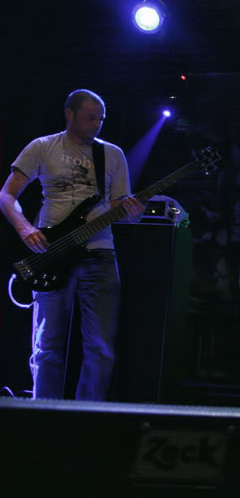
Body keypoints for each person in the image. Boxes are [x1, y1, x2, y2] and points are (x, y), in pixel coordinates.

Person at [0, 89, 145, 400]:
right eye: (90, 118)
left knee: (101, 349)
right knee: (47, 346)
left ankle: (87, 418)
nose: (97, 125)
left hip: (100, 256)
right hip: (52, 253)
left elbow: (121, 208)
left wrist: (133, 212)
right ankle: (44, 417)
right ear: (70, 113)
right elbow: (6, 195)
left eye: (101, 119)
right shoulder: (42, 147)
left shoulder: (113, 155)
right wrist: (25, 228)